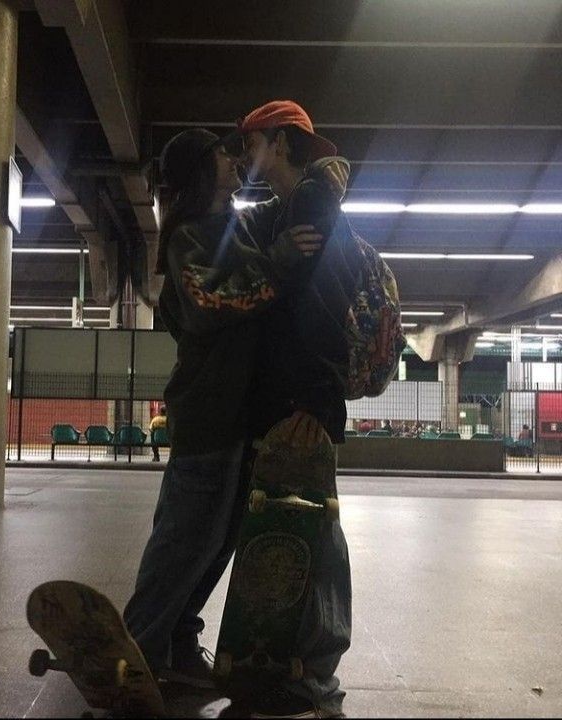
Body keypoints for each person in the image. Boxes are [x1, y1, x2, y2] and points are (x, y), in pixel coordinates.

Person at [122, 128, 323, 689]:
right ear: (199, 174)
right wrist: (279, 262)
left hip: (239, 415)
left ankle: (179, 640)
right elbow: (214, 303)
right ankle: (138, 652)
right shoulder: (189, 236)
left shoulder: (233, 225)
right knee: (183, 542)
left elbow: (287, 203)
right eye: (221, 156)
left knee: (217, 541)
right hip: (206, 412)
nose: (234, 161)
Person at [235, 100, 355, 719]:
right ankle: (292, 664)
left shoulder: (313, 202)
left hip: (302, 401)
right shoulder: (291, 206)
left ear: (279, 143)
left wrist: (315, 399)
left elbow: (324, 304)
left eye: (252, 145)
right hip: (287, 397)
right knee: (289, 524)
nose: (245, 160)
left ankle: (318, 672)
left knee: (316, 526)